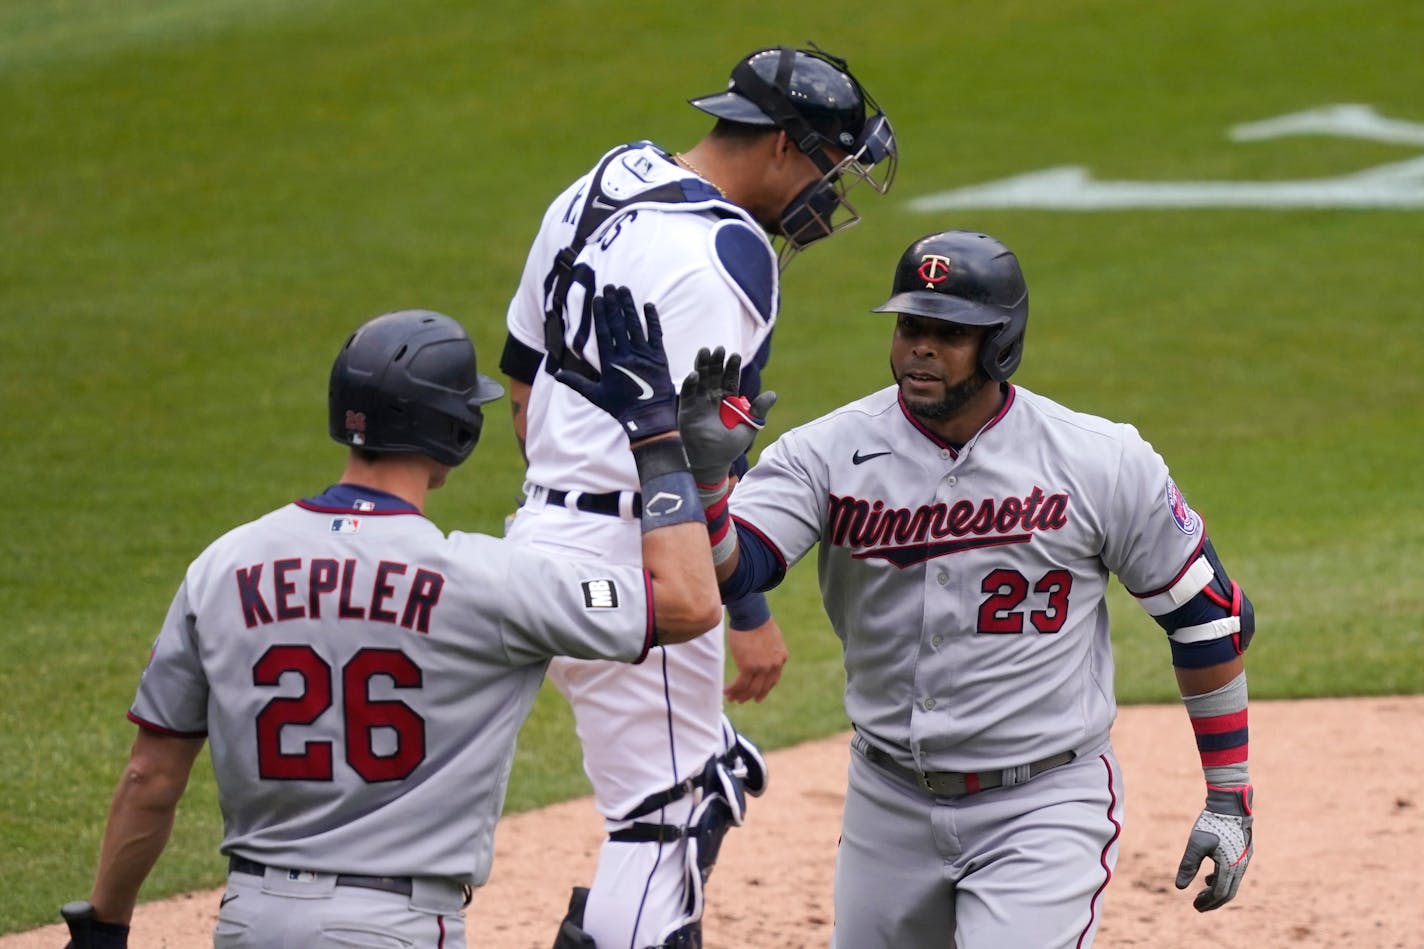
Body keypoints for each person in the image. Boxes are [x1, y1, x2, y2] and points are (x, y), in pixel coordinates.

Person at [61, 288, 723, 949]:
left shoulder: (224, 565)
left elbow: (149, 774)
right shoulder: (492, 582)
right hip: (392, 926)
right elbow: (688, 602)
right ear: (456, 431)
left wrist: (106, 925)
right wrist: (660, 441)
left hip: (248, 918)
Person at [676, 230, 1257, 948]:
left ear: (1001, 343)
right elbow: (740, 569)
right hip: (886, 802)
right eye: (910, 326)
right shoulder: (823, 453)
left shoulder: (1099, 460)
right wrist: (705, 482)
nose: (922, 347)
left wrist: (1229, 798)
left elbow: (1208, 619)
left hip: (1043, 803)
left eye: (951, 332)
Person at [497, 44, 897, 948]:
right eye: (830, 168)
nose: (828, 195)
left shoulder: (603, 180)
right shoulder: (733, 255)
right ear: (784, 147)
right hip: (645, 559)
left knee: (679, 781)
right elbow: (689, 453)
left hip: (535, 534)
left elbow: (524, 381)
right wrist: (742, 600)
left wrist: (570, 486)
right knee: (674, 808)